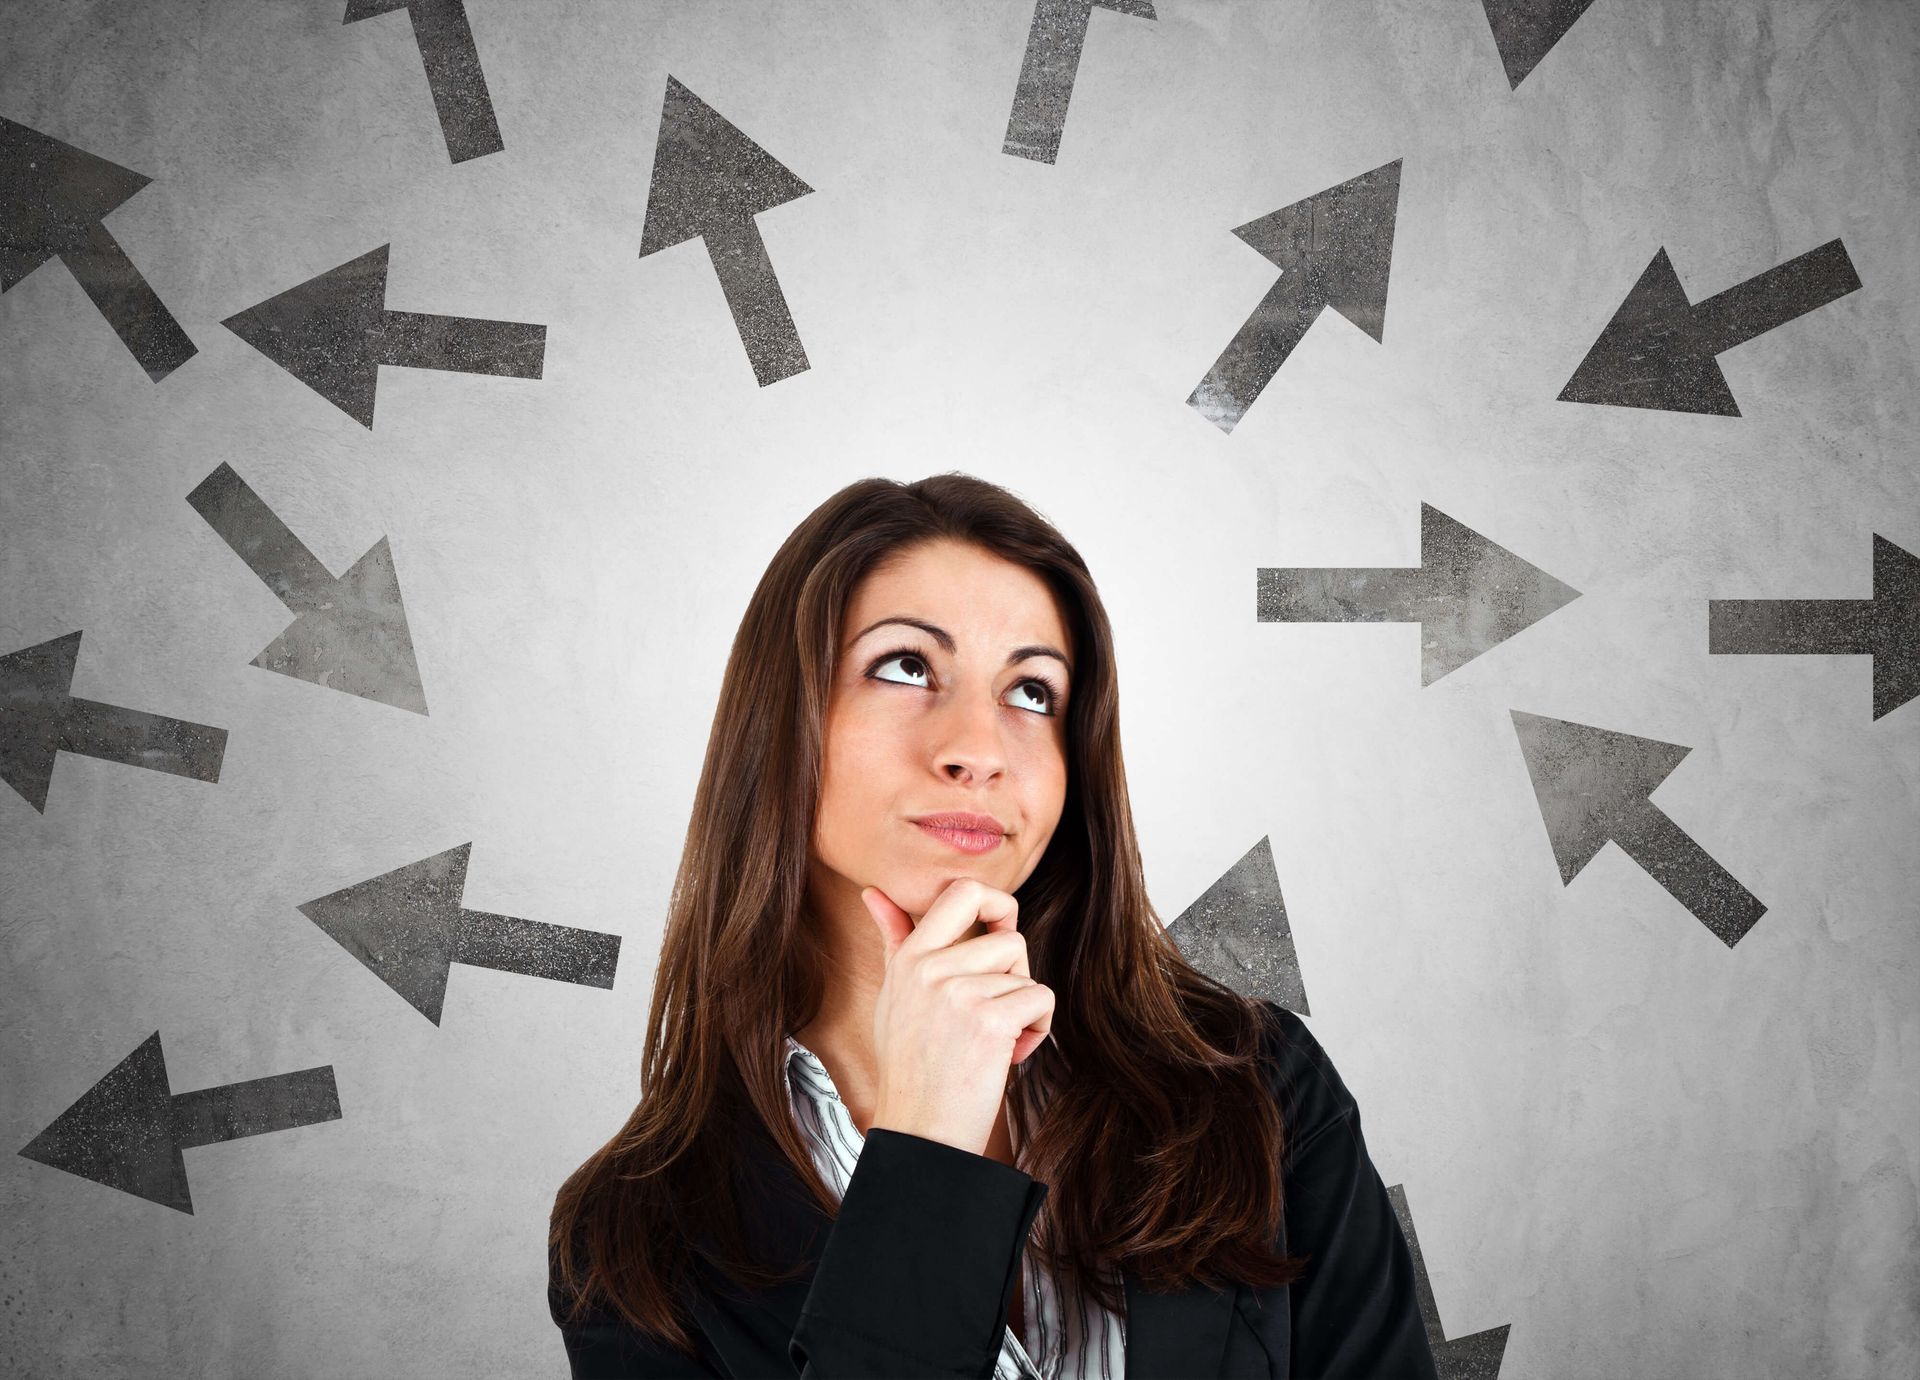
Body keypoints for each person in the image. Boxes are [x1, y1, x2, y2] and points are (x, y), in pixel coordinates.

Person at [548, 473, 1439, 1379]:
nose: (978, 749)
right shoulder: (630, 1246)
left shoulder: (1262, 1090)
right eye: (905, 666)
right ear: (781, 720)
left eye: (1032, 692)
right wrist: (927, 1155)